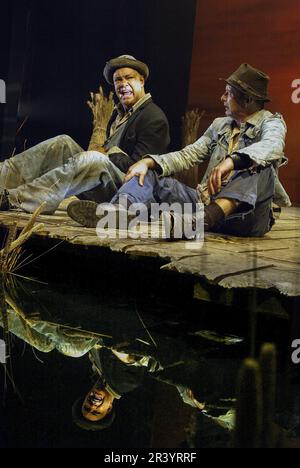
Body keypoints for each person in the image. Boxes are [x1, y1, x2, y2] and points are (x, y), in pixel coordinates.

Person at [68, 63, 291, 238]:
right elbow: (190, 154)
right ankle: (118, 212)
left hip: (246, 219)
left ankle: (200, 221)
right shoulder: (220, 125)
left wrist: (233, 160)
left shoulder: (272, 123)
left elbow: (272, 146)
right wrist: (149, 163)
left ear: (248, 99)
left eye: (228, 94)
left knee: (261, 166)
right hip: (205, 204)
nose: (222, 98)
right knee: (149, 173)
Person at [0, 55, 170, 214]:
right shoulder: (118, 115)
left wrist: (107, 153)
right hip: (106, 184)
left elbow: (141, 173)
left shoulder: (153, 117)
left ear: (141, 80)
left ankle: (14, 199)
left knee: (93, 159)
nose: (123, 83)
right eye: (118, 79)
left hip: (130, 198)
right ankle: (2, 179)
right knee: (62, 143)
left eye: (129, 77)